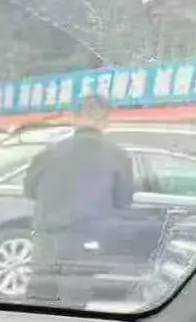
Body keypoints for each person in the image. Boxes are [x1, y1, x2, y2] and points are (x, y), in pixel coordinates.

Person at [22, 94, 134, 307]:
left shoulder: (50, 152)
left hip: (47, 236)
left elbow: (29, 190)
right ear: (106, 121)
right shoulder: (117, 156)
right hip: (86, 238)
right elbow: (123, 200)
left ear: (75, 118)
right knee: (74, 300)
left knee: (39, 296)